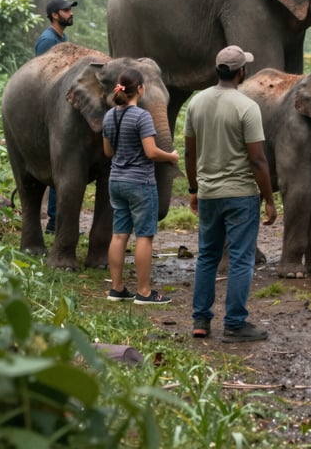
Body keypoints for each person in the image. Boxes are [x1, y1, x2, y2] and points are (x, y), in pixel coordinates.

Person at [185, 45, 277, 343]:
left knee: (207, 257)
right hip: (240, 195)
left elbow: (189, 151)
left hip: (209, 193)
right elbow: (257, 160)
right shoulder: (247, 106)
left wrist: (194, 189)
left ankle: (200, 320)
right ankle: (235, 324)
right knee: (240, 259)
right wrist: (270, 199)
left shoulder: (196, 104)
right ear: (241, 72)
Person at [102, 67, 179, 305]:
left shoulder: (109, 116)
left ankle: (117, 288)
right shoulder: (142, 117)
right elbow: (151, 152)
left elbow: (108, 152)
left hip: (116, 181)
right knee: (144, 236)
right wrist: (171, 157)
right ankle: (144, 292)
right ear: (141, 89)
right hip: (140, 183)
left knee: (119, 235)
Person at [35, 0, 78, 234]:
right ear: (54, 15)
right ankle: (54, 221)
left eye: (70, 10)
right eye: (65, 10)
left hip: (63, 104)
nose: (70, 13)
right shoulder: (47, 41)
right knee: (56, 166)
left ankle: (57, 219)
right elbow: (44, 75)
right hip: (50, 107)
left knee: (62, 165)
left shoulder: (62, 38)